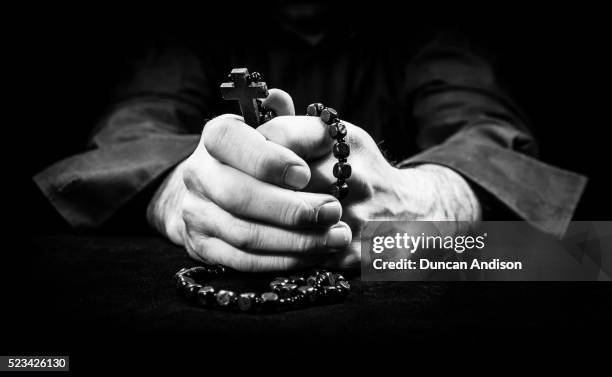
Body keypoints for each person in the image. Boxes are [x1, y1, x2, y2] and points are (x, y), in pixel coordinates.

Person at [32, 5, 586, 271]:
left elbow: (484, 129)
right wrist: (186, 190)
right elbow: (133, 130)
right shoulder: (189, 27)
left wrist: (430, 201)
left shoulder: (427, 25)